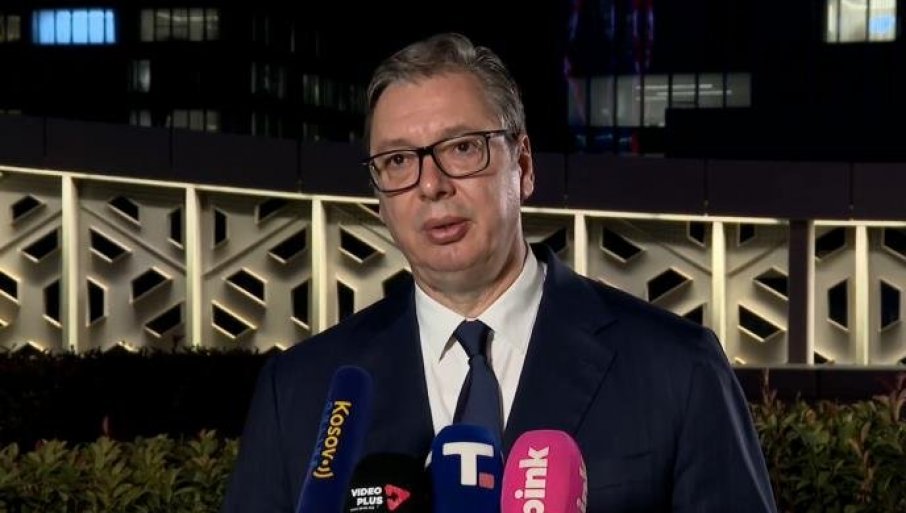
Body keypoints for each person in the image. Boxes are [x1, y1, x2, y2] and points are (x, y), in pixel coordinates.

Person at [221, 32, 777, 513]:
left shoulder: (676, 368)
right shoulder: (300, 390)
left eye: (462, 148)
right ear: (379, 198)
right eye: (397, 161)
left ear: (524, 165)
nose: (431, 185)